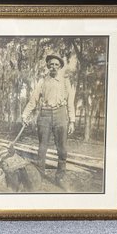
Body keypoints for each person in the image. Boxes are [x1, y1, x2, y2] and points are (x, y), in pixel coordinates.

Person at [21, 54, 75, 188]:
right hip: (44, 114)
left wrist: (72, 120)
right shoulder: (42, 81)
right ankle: (39, 175)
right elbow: (33, 100)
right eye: (51, 64)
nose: (54, 67)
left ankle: (60, 178)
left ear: (60, 67)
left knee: (62, 149)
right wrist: (25, 115)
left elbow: (70, 102)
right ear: (48, 66)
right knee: (42, 147)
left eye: (56, 64)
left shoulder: (65, 81)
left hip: (61, 114)